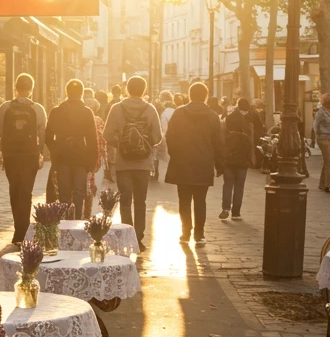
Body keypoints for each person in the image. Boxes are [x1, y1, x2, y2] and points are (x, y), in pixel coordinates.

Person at [102, 76, 162, 251]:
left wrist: (121, 143)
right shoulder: (150, 109)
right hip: (143, 164)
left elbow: (106, 135)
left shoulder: (117, 108)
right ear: (143, 90)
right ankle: (139, 238)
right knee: (141, 202)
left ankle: (127, 236)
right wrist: (145, 143)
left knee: (126, 201)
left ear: (127, 89)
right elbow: (158, 136)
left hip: (123, 163)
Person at [164, 80, 224, 245]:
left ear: (189, 95)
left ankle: (185, 233)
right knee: (200, 200)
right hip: (203, 163)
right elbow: (218, 142)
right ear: (205, 97)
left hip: (182, 162)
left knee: (184, 200)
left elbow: (170, 136)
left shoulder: (179, 113)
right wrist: (219, 164)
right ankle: (200, 234)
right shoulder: (212, 116)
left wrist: (174, 153)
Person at [0, 73, 48, 246]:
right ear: (31, 89)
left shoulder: (6, 107)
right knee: (26, 191)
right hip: (29, 155)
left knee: (14, 190)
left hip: (11, 155)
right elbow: (42, 133)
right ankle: (23, 232)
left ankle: (18, 231)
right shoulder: (37, 108)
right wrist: (41, 153)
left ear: (16, 87)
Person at [45, 79, 100, 217]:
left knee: (64, 194)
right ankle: (77, 220)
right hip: (81, 159)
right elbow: (93, 140)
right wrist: (91, 163)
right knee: (79, 193)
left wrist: (56, 151)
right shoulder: (87, 112)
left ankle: (65, 223)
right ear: (81, 93)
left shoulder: (56, 111)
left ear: (66, 93)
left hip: (62, 158)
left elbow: (48, 136)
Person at [219, 98, 254, 221]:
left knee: (228, 184)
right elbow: (251, 142)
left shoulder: (227, 119)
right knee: (239, 186)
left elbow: (221, 139)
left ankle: (225, 208)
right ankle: (236, 213)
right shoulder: (247, 122)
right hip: (242, 160)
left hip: (229, 158)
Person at [313, 93, 330, 193]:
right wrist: (318, 135)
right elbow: (315, 124)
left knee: (327, 162)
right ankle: (329, 185)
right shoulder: (321, 113)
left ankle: (323, 184)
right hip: (325, 139)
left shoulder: (328, 113)